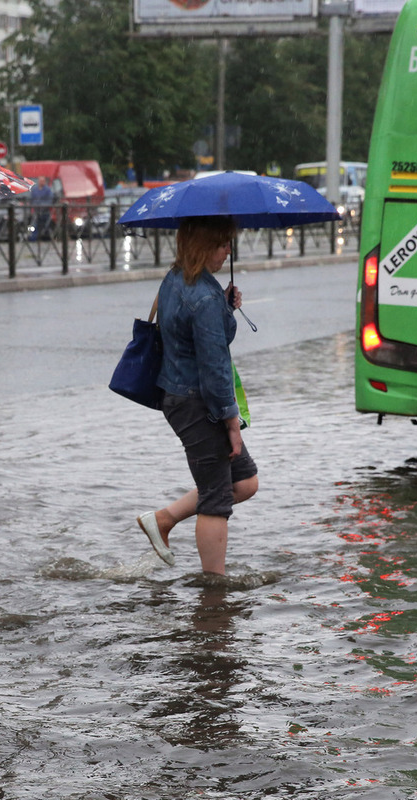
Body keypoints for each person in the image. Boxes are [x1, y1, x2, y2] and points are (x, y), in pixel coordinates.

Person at [135, 215, 258, 575]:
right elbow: (215, 368)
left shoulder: (176, 279)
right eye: (222, 243)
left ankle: (163, 520)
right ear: (203, 245)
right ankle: (215, 595)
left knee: (244, 481)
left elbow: (201, 337)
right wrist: (232, 424)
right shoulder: (203, 296)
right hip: (198, 404)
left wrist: (226, 307)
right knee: (217, 500)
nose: (228, 250)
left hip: (177, 394)